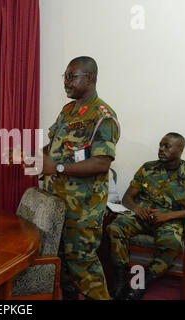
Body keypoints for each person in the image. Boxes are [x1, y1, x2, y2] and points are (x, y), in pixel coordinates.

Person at [22, 56, 120, 300]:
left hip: (83, 210)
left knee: (83, 265)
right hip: (56, 203)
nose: (66, 82)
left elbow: (102, 162)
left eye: (71, 76)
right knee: (62, 264)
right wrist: (34, 156)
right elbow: (55, 146)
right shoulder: (68, 110)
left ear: (90, 78)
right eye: (64, 76)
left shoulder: (102, 116)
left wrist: (57, 168)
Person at [107, 133, 185, 300]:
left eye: (167, 146)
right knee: (115, 228)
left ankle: (140, 284)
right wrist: (137, 209)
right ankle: (121, 281)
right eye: (160, 145)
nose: (161, 149)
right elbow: (127, 198)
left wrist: (168, 216)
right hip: (143, 217)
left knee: (172, 244)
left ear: (180, 149)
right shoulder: (147, 168)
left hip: (170, 221)